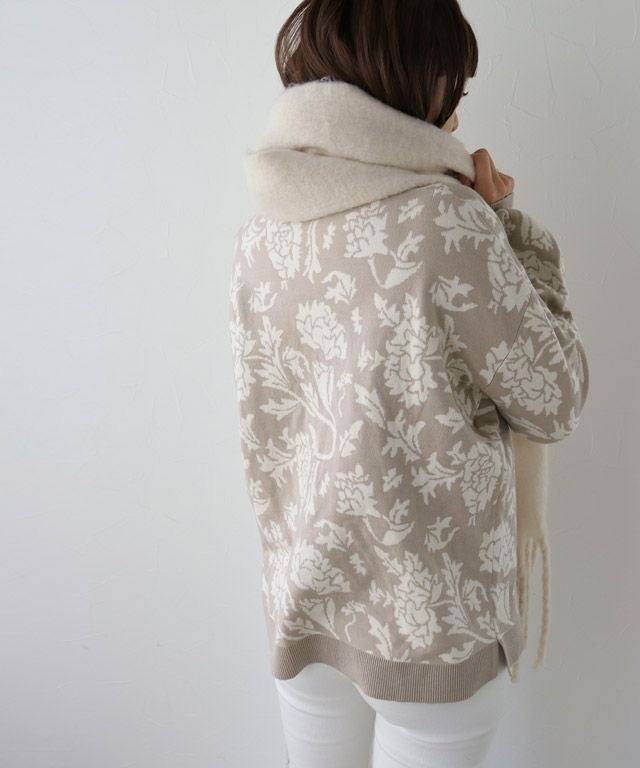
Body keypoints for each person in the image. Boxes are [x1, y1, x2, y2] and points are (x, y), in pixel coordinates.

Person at [228, 1, 590, 766]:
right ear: (420, 80)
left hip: (304, 606)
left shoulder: (264, 226)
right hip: (431, 630)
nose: (457, 108)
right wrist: (507, 225)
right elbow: (555, 401)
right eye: (455, 84)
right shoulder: (448, 223)